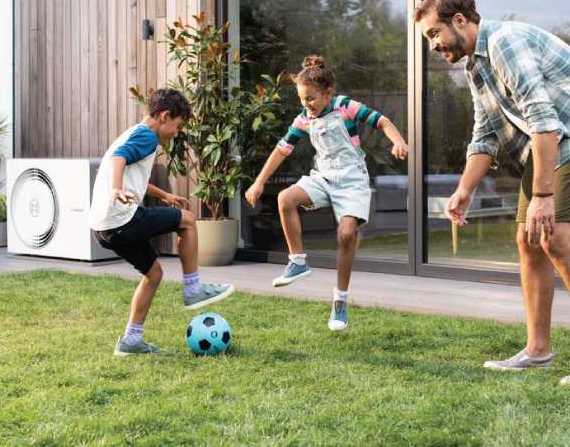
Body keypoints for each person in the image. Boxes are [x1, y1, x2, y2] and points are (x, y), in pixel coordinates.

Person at [414, 0, 570, 385]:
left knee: (556, 240)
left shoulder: (504, 44)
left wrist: (543, 195)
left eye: (433, 34)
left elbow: (544, 120)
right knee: (530, 240)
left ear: (460, 21)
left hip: (560, 137)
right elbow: (484, 135)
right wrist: (465, 189)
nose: (432, 45)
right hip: (547, 144)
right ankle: (538, 352)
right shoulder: (474, 66)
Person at [245, 55, 409, 331]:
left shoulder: (345, 106)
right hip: (323, 177)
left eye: (310, 99)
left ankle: (340, 301)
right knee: (286, 198)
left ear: (328, 93)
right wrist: (259, 181)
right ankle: (297, 261)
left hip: (352, 179)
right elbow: (281, 149)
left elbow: (382, 121)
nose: (305, 105)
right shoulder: (304, 119)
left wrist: (399, 142)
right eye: (301, 100)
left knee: (345, 236)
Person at [89, 88, 234, 356]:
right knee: (188, 221)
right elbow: (119, 159)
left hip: (103, 226)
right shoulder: (146, 136)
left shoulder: (135, 132)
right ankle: (193, 289)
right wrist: (115, 189)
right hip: (121, 219)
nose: (177, 133)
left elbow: (131, 172)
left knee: (154, 273)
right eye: (178, 126)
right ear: (165, 116)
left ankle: (131, 340)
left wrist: (164, 194)